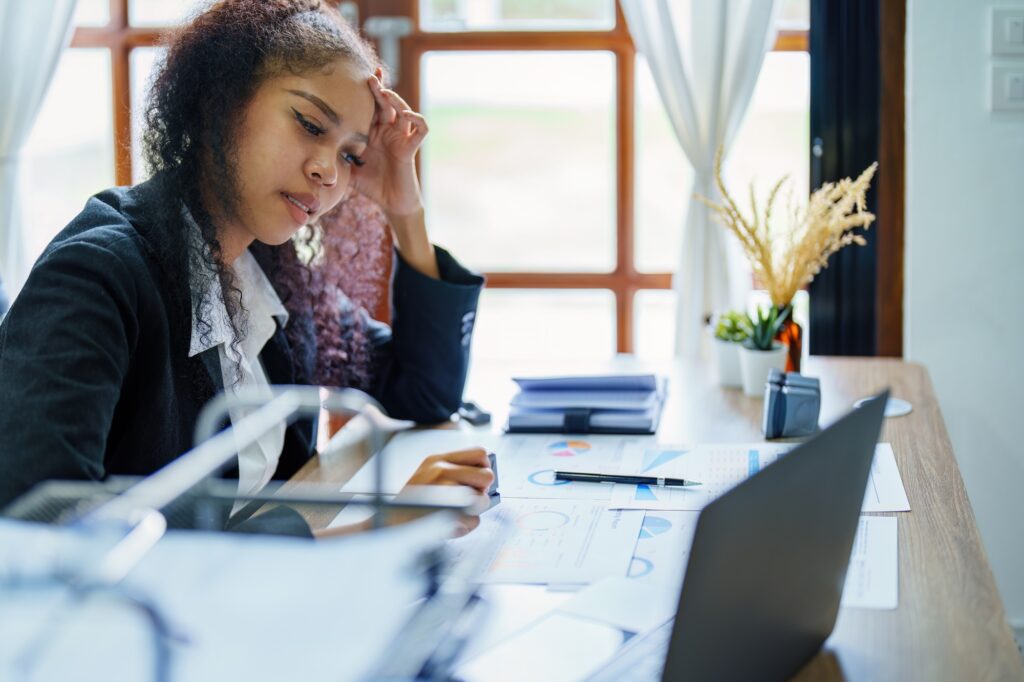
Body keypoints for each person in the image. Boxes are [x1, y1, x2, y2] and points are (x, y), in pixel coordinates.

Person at [0, 0, 493, 535]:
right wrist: (376, 528)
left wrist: (405, 210)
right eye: (309, 125)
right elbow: (40, 528)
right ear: (221, 103)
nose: (328, 171)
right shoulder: (95, 276)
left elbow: (423, 391)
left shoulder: (265, 272)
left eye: (351, 156)